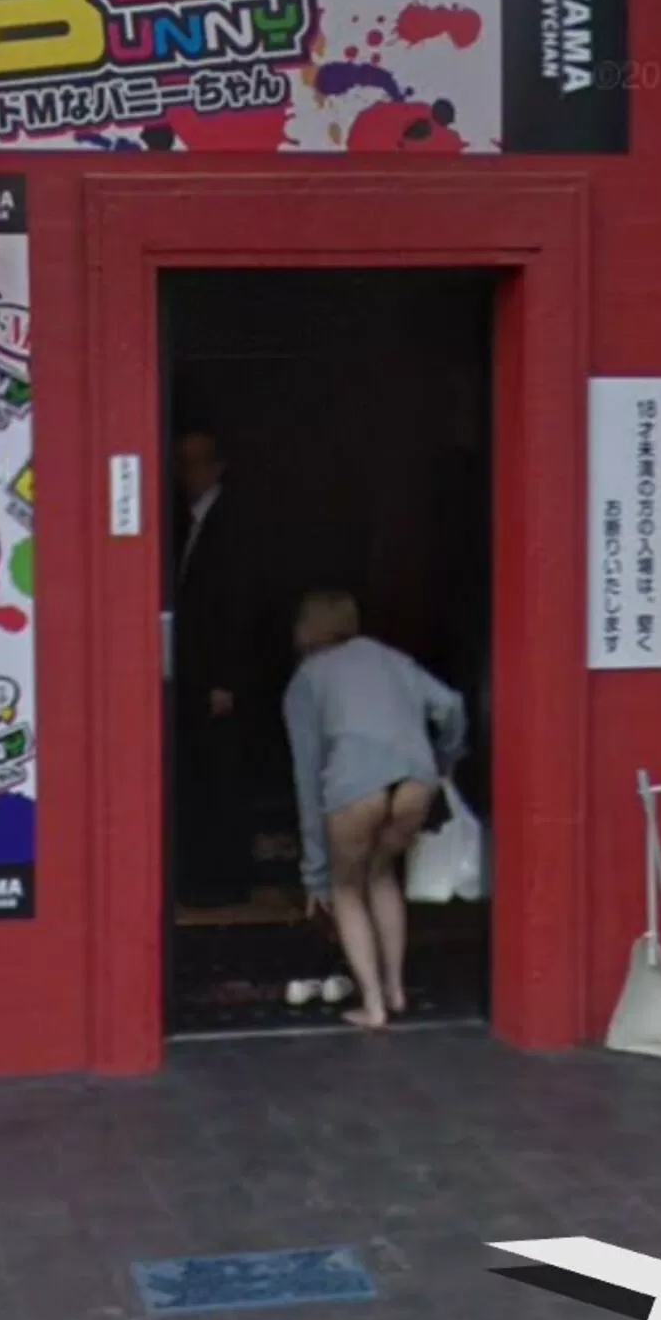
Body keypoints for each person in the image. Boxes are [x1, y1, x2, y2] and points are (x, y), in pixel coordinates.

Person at [282, 589, 466, 1029]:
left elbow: (308, 777)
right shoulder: (393, 659)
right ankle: (396, 989)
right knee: (382, 876)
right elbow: (451, 705)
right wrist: (444, 760)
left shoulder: (307, 678)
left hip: (354, 781)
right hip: (415, 777)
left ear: (308, 627)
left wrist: (314, 874)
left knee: (346, 889)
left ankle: (373, 1005)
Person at [171, 430, 245, 905]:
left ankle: (222, 883)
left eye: (194, 463)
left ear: (217, 468)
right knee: (200, 773)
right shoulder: (189, 522)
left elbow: (236, 604)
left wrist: (226, 678)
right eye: (180, 463)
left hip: (216, 677)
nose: (184, 474)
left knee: (219, 777)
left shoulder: (231, 525)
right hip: (195, 673)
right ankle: (203, 879)